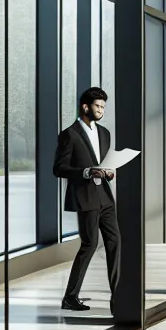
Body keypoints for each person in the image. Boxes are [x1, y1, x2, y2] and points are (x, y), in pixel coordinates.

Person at [56, 87, 120, 312]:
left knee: (115, 243)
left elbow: (104, 162)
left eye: (103, 106)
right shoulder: (69, 134)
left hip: (105, 195)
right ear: (85, 107)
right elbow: (59, 168)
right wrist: (86, 172)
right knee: (90, 244)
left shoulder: (104, 133)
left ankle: (118, 297)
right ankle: (70, 297)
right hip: (86, 197)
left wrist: (110, 171)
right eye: (98, 106)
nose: (102, 110)